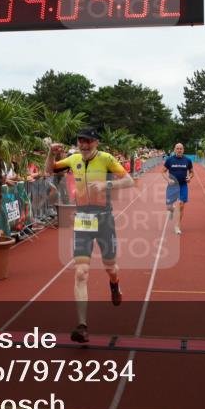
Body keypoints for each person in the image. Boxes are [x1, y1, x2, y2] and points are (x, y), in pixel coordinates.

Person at [46, 127, 133, 343]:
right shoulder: (73, 159)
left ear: (96, 142)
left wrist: (107, 184)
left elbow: (129, 180)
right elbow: (50, 170)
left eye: (87, 141)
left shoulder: (107, 159)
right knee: (81, 272)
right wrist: (50, 153)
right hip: (83, 219)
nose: (83, 144)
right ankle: (82, 326)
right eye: (80, 140)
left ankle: (114, 283)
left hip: (104, 219)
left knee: (110, 266)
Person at [162, 143, 194, 235]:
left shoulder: (187, 160)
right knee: (168, 207)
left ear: (183, 150)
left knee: (181, 204)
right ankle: (172, 209)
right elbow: (163, 172)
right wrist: (168, 180)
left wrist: (189, 177)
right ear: (174, 150)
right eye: (177, 148)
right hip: (172, 186)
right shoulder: (169, 160)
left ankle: (177, 226)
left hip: (183, 186)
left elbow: (192, 172)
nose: (179, 150)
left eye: (181, 148)